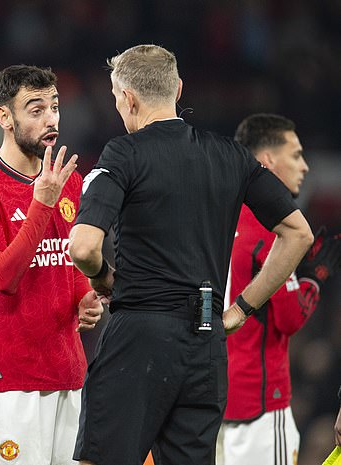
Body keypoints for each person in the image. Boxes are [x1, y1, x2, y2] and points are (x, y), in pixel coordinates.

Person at [68, 44, 314, 465]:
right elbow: (298, 233)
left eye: (116, 98)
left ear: (127, 97)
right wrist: (241, 308)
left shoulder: (124, 153)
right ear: (178, 89)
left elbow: (84, 246)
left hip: (140, 335)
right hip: (206, 342)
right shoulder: (230, 155)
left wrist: (102, 277)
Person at [0, 65, 104, 465]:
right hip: (11, 379)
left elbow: (68, 258)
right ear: (4, 117)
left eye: (55, 107)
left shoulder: (70, 181)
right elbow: (2, 277)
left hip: (69, 371)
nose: (51, 119)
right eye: (36, 109)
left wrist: (84, 296)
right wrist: (42, 203)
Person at [217, 114, 341, 465]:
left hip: (209, 397)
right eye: (296, 155)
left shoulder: (216, 221)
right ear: (267, 162)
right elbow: (289, 317)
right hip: (258, 401)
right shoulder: (270, 233)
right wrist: (314, 279)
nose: (304, 166)